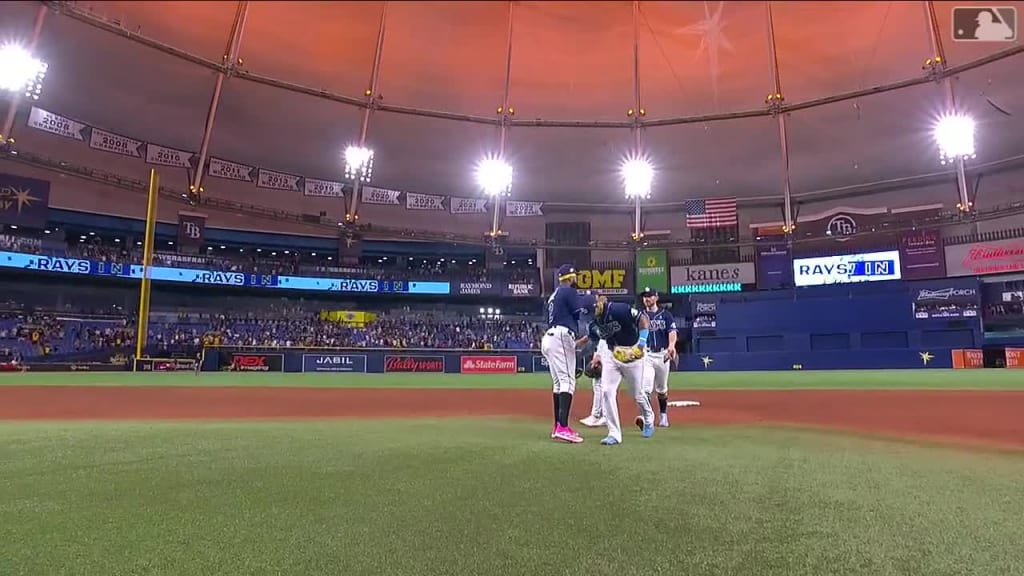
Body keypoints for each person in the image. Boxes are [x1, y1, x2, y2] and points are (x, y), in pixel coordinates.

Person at [589, 295, 653, 445]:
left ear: (600, 303)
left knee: (637, 394)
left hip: (632, 353)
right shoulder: (593, 322)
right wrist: (597, 355)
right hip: (612, 355)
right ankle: (614, 433)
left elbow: (643, 319)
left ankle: (649, 418)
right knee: (606, 391)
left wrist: (641, 344)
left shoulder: (619, 309)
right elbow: (598, 338)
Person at [541, 264, 594, 444]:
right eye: (575, 276)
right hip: (561, 336)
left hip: (550, 337)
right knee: (568, 382)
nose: (576, 279)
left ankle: (558, 426)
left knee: (558, 383)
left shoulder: (553, 295)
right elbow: (580, 312)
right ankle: (563, 427)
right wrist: (591, 301)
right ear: (570, 277)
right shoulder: (568, 291)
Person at [634, 288, 678, 429]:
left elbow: (672, 332)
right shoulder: (640, 316)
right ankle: (646, 417)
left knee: (662, 389)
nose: (647, 299)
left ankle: (663, 415)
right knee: (645, 388)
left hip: (662, 354)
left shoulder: (665, 315)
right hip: (647, 354)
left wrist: (671, 345)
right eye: (645, 296)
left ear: (656, 298)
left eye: (650, 296)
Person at [579, 320, 607, 428]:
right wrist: (577, 344)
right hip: (599, 350)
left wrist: (599, 355)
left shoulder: (606, 320)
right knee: (597, 384)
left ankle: (602, 416)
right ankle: (597, 415)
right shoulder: (593, 323)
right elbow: (589, 337)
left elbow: (604, 337)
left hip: (605, 350)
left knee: (602, 385)